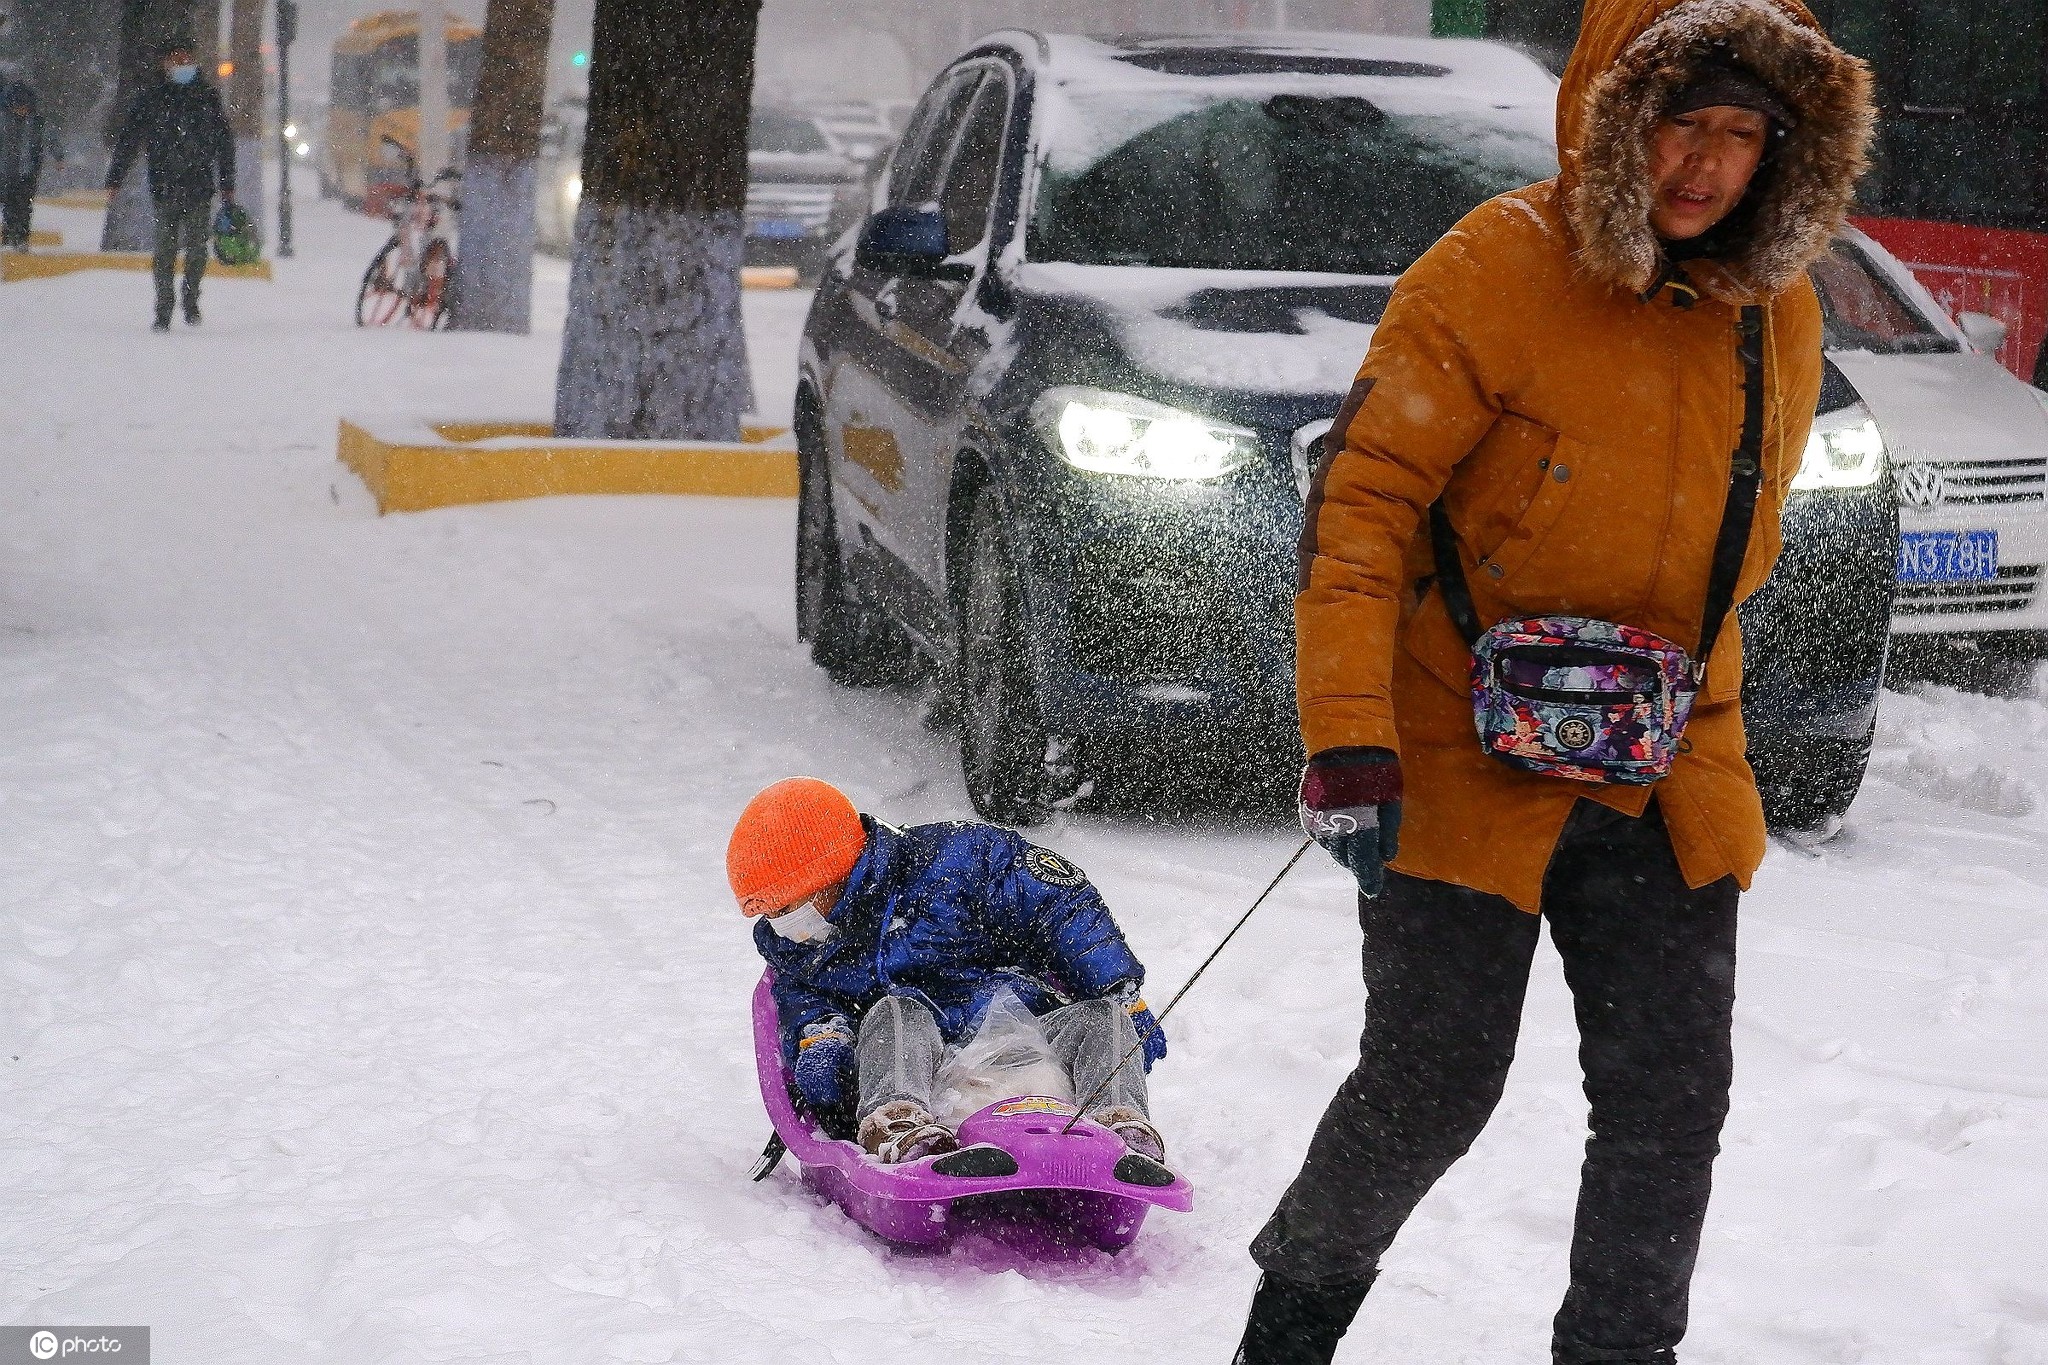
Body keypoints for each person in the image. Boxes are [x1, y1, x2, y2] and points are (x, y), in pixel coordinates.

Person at [1236, 2, 1874, 1363]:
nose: (1705, 165)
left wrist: (1686, 712)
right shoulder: (1493, 269)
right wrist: (1349, 741)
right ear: (1613, 117)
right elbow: (1359, 514)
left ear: (1785, 153)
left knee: (1669, 1100)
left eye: (1741, 135)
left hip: (1663, 758)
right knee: (1433, 1083)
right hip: (1457, 750)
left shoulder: (1781, 310)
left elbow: (1735, 546)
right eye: (1679, 124)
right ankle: (1287, 1327)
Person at [729, 777, 1169, 1166]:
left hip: (1024, 1044)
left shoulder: (956, 861)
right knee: (898, 1012)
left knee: (1101, 1018)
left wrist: (1119, 990)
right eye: (770, 915)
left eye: (786, 907)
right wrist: (827, 1043)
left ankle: (1118, 1127)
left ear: (828, 874)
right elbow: (808, 1005)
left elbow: (1061, 906)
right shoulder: (800, 951)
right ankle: (898, 1125)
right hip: (919, 1073)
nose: (783, 925)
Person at [105, 42, 234, 331]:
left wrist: (227, 183)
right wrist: (115, 178)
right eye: (177, 59)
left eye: (188, 59)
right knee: (165, 250)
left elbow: (224, 141)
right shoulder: (152, 98)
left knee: (198, 249)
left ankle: (191, 299)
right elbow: (129, 139)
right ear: (165, 63)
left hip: (199, 187)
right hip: (164, 186)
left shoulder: (207, 97)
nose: (183, 64)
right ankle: (164, 309)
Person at [0, 66, 42, 251]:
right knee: (11, 207)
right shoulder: (5, 122)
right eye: (19, 107)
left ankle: (21, 238)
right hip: (7, 172)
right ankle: (10, 238)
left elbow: (42, 143)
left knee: (24, 208)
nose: (22, 111)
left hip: (26, 173)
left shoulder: (34, 123)